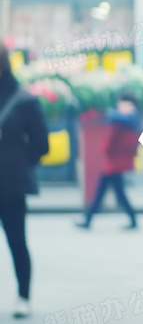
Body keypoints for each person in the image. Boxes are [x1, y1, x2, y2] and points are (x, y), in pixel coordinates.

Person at [0, 44, 49, 319]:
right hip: (11, 181)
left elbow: (41, 144)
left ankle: (23, 296)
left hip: (11, 186)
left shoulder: (24, 100)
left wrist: (18, 165)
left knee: (17, 242)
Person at [76, 93, 139, 229]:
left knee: (107, 191)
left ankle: (89, 218)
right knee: (113, 191)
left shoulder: (122, 120)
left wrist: (104, 148)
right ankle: (89, 218)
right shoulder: (130, 120)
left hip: (114, 162)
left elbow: (111, 140)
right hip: (116, 162)